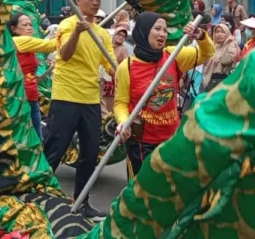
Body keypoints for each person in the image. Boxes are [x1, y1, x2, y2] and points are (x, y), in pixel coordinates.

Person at [43, 0, 117, 221]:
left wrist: (129, 75)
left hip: (90, 100)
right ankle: (36, 197)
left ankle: (82, 201)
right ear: (78, 0)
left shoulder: (103, 34)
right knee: (56, 148)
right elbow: (63, 54)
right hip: (65, 97)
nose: (95, 3)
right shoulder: (67, 25)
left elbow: (111, 66)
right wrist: (77, 32)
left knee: (91, 151)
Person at [113, 13, 214, 176]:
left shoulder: (173, 56)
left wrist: (201, 36)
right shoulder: (127, 67)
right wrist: (123, 122)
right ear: (144, 32)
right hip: (141, 143)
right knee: (141, 192)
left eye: (165, 30)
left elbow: (207, 54)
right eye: (157, 29)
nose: (162, 34)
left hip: (171, 139)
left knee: (169, 192)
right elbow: (120, 104)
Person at [9, 12, 57, 138]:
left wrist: (51, 68)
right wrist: (72, 31)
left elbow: (33, 79)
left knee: (36, 138)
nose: (29, 27)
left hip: (31, 96)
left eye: (31, 24)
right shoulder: (18, 41)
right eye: (25, 25)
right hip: (21, 97)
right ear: (13, 29)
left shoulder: (28, 47)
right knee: (29, 139)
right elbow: (51, 45)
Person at [201, 23, 241, 92]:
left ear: (227, 33)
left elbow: (226, 60)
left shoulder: (231, 44)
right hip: (209, 81)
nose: (219, 34)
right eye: (217, 32)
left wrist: (227, 43)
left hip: (222, 81)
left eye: (222, 32)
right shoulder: (213, 46)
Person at [101, 27, 131, 114]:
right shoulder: (107, 46)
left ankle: (107, 122)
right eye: (119, 34)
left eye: (124, 36)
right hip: (100, 77)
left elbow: (125, 65)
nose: (121, 37)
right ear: (114, 35)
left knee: (108, 106)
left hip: (112, 81)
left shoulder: (123, 49)